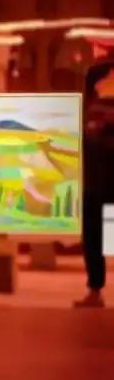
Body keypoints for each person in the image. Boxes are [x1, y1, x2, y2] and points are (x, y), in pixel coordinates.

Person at [77, 61, 114, 308]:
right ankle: (95, 289)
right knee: (94, 236)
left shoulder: (92, 109)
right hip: (96, 182)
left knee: (96, 236)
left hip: (100, 182)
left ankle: (95, 290)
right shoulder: (91, 107)